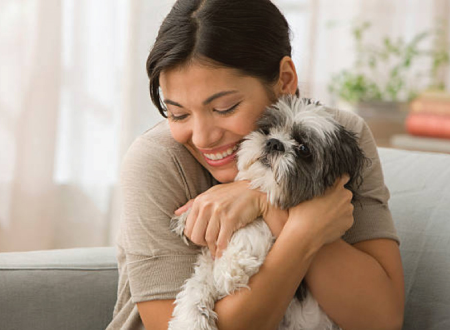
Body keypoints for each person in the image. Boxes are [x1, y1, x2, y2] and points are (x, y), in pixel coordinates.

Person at [106, 0, 405, 329]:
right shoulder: (157, 161)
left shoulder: (337, 140)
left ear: (286, 79)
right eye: (178, 113)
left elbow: (382, 319)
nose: (203, 138)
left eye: (225, 107)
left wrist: (263, 200)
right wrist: (302, 228)